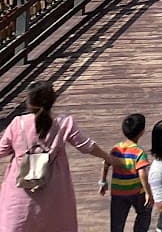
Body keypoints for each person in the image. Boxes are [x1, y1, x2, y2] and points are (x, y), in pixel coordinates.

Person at [0, 81, 113, 232]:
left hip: (20, 197)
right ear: (52, 101)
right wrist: (108, 157)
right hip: (55, 195)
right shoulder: (64, 123)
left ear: (29, 101)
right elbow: (87, 146)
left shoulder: (17, 124)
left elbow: (1, 150)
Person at [100, 113, 153, 232]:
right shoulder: (139, 152)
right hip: (136, 191)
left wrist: (103, 181)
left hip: (118, 192)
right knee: (145, 212)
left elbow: (106, 163)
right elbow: (142, 174)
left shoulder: (115, 149)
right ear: (142, 132)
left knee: (117, 220)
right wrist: (148, 193)